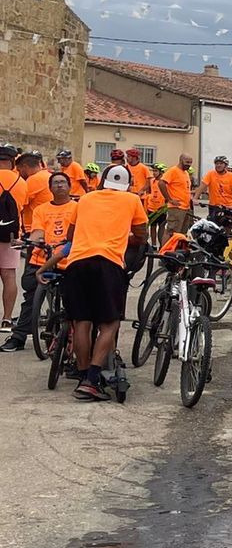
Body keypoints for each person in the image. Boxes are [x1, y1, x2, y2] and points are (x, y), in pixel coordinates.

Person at [58, 164, 148, 401]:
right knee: (110, 323)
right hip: (108, 263)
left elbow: (70, 235)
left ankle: (84, 374)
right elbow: (142, 234)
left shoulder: (85, 199)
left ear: (102, 182)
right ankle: (93, 378)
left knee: (82, 321)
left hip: (77, 263)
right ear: (127, 185)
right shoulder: (132, 200)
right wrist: (126, 236)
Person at [1, 168, 75, 353]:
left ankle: (71, 335)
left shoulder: (78, 207)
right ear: (50, 188)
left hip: (69, 260)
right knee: (31, 299)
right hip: (42, 258)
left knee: (73, 299)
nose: (59, 185)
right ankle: (18, 337)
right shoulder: (41, 210)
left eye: (62, 182)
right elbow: (37, 231)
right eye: (55, 183)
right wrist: (32, 241)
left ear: (69, 186)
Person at [0, 144, 27, 331]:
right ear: (12, 162)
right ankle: (7, 319)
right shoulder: (21, 182)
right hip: (11, 235)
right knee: (9, 276)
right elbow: (23, 206)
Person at [159, 155, 195, 236]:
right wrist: (169, 199)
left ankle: (177, 248)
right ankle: (166, 248)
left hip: (186, 208)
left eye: (190, 163)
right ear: (181, 160)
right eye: (187, 162)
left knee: (182, 233)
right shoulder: (173, 170)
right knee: (171, 232)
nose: (189, 164)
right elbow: (161, 183)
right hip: (176, 208)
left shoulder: (185, 173)